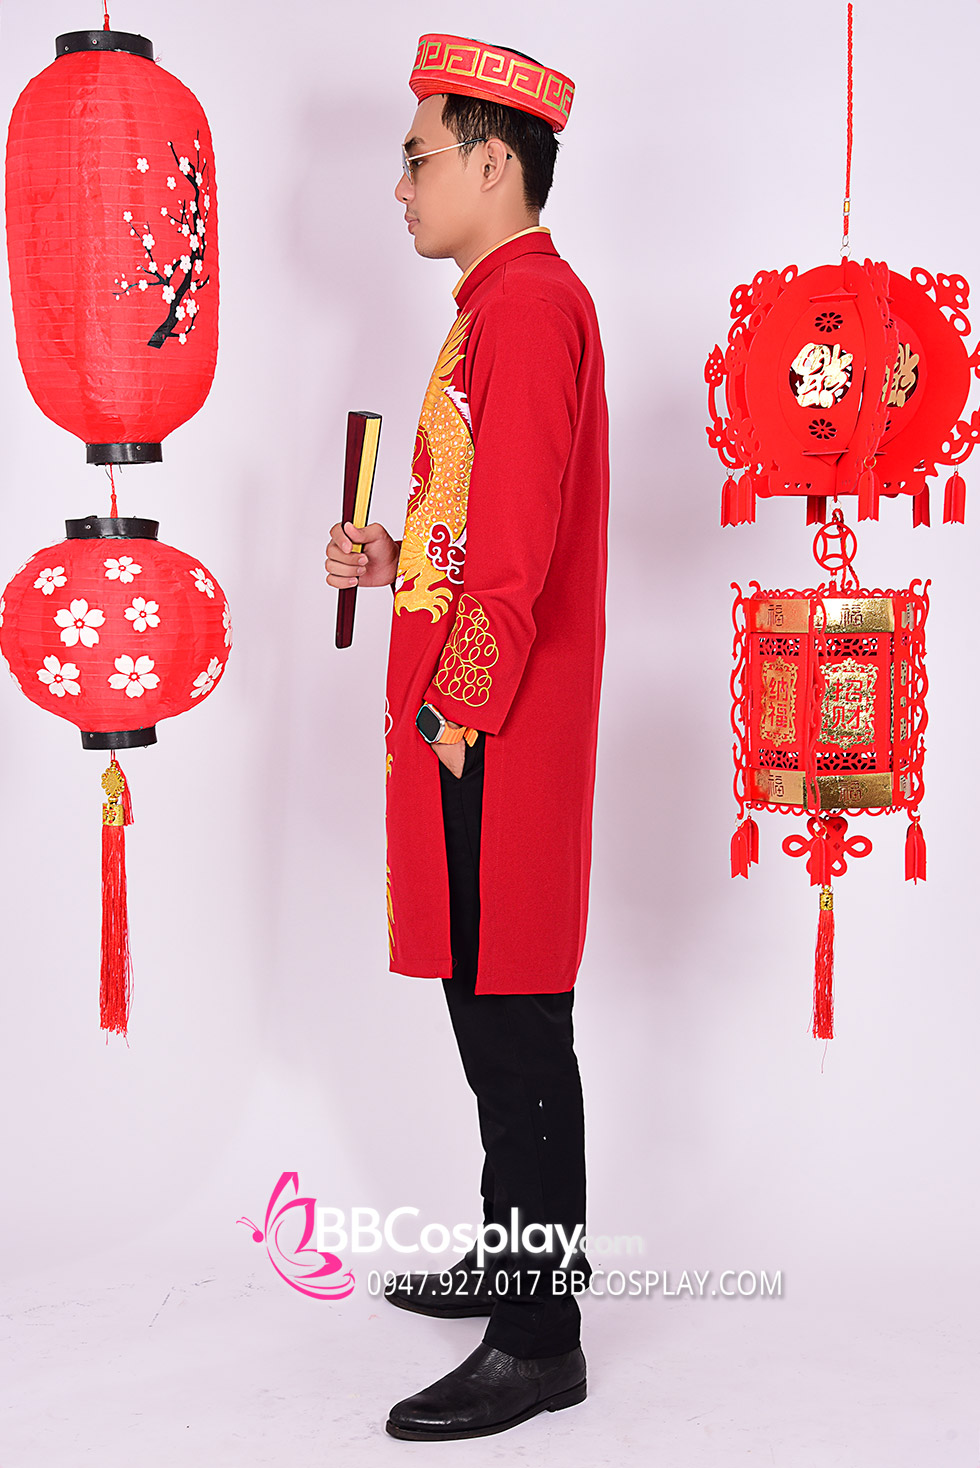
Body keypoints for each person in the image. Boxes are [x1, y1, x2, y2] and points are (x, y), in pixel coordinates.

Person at [325, 32, 609, 1442]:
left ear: (494, 164)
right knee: (486, 1009)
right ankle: (515, 1258)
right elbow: (475, 525)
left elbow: (521, 549)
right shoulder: (497, 303)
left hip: (495, 722)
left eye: (418, 157)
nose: (401, 185)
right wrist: (396, 561)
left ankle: (540, 1336)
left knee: (516, 1020)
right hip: (475, 714)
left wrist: (459, 709)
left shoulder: (531, 307)